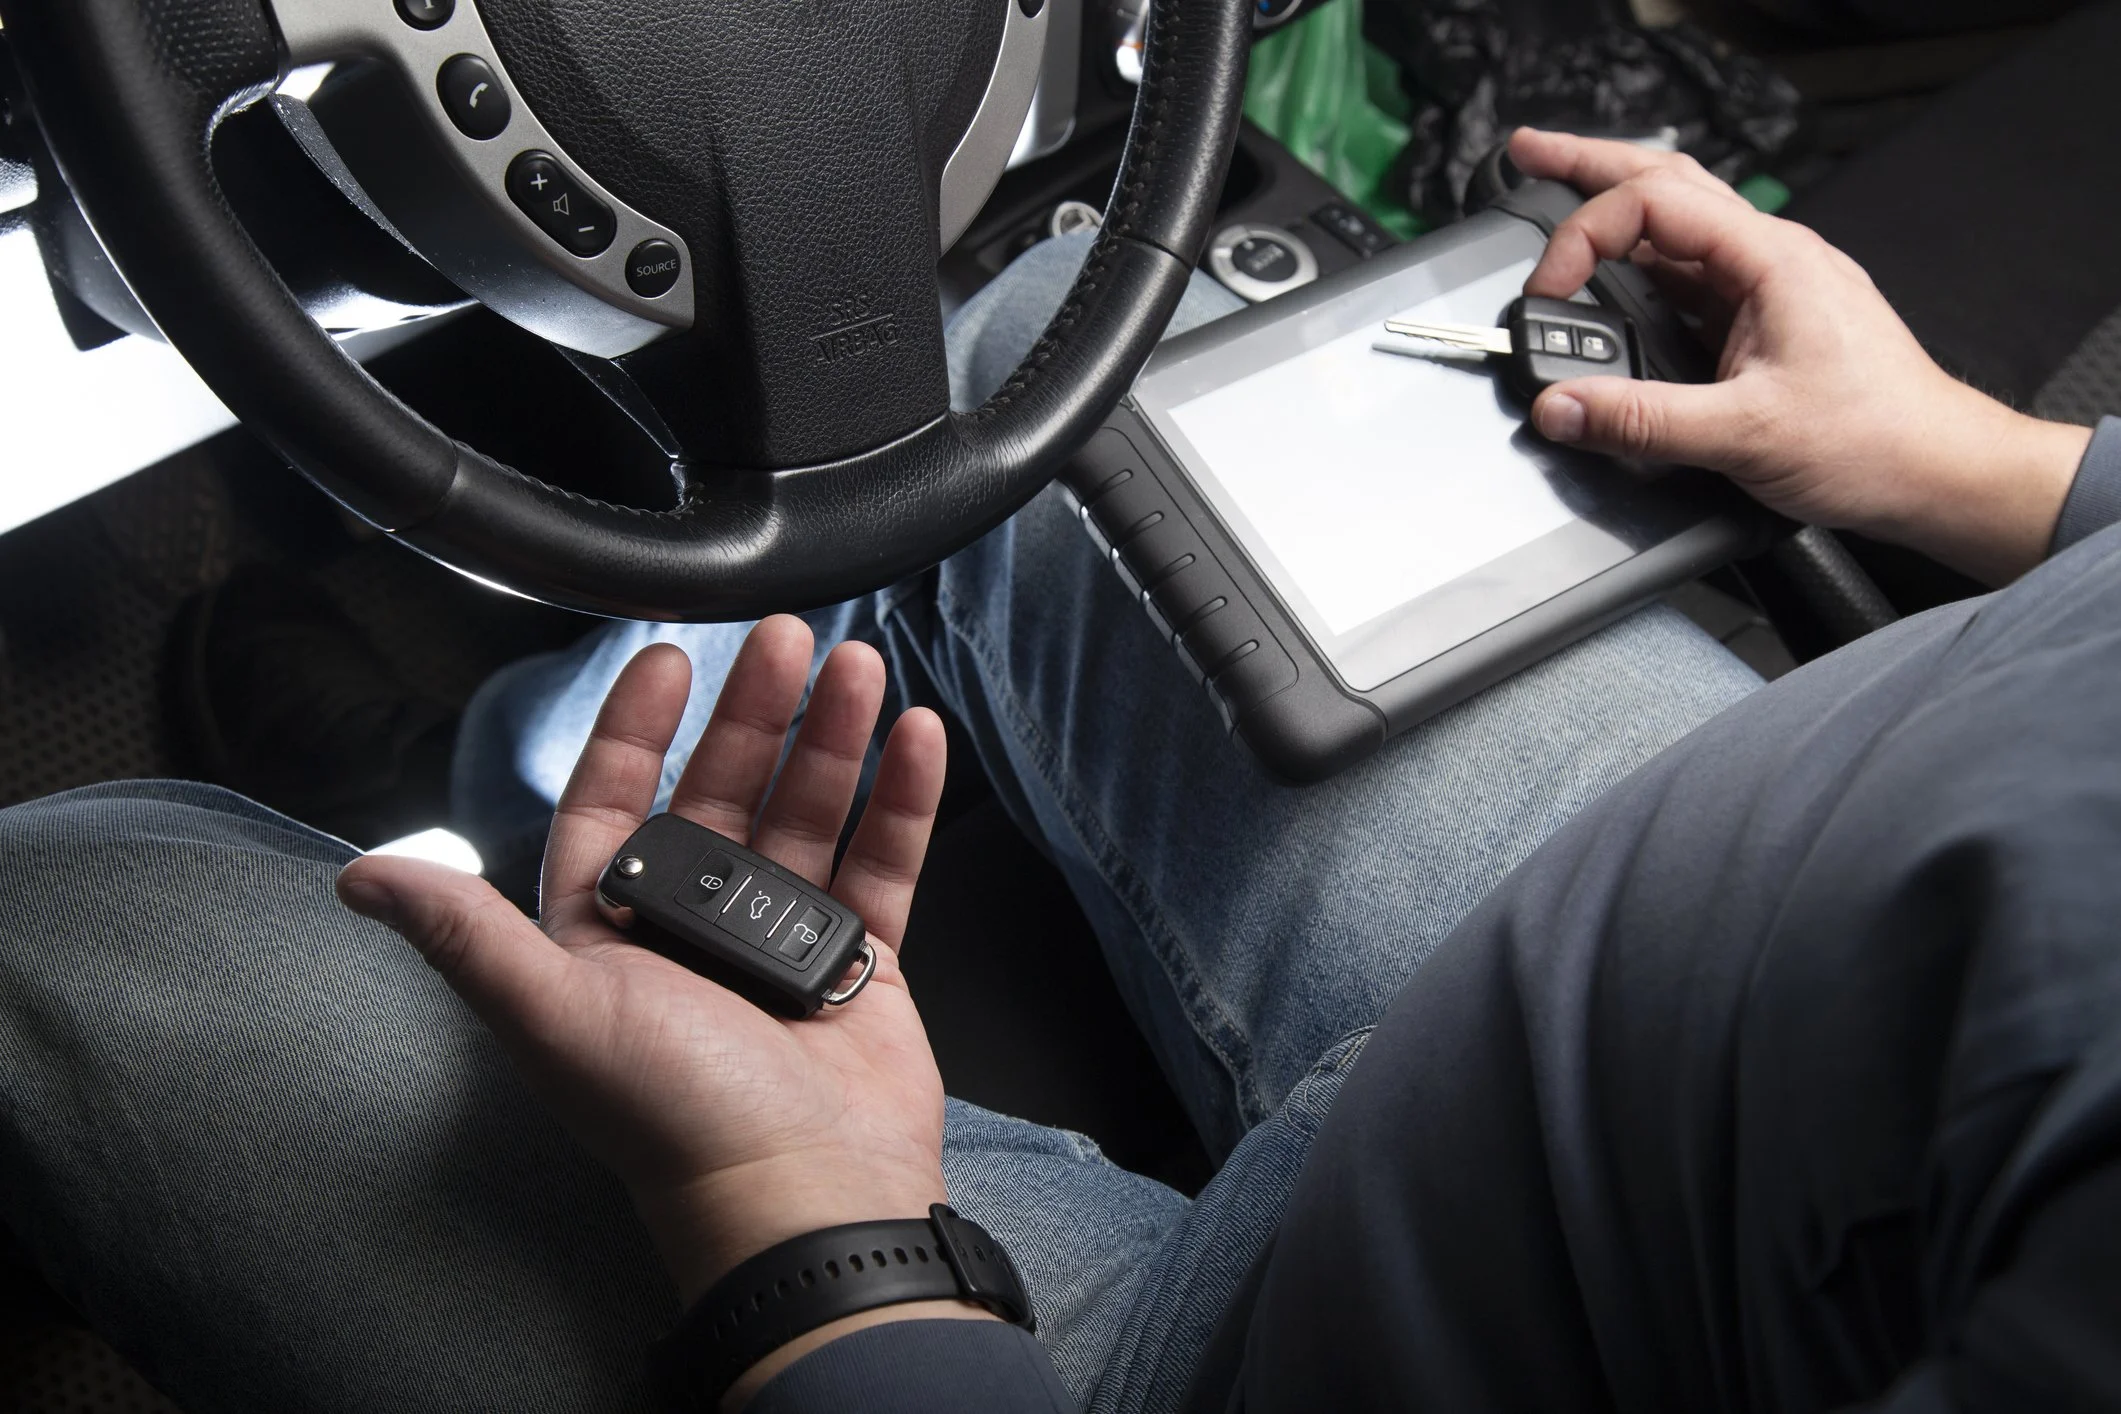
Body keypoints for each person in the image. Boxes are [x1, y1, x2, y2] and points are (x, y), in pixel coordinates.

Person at [2, 128, 2118, 1413]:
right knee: (1034, 363)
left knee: (71, 925)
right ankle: (533, 769)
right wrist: (1985, 464)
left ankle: (498, 811)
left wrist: (799, 1231)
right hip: (1757, 945)